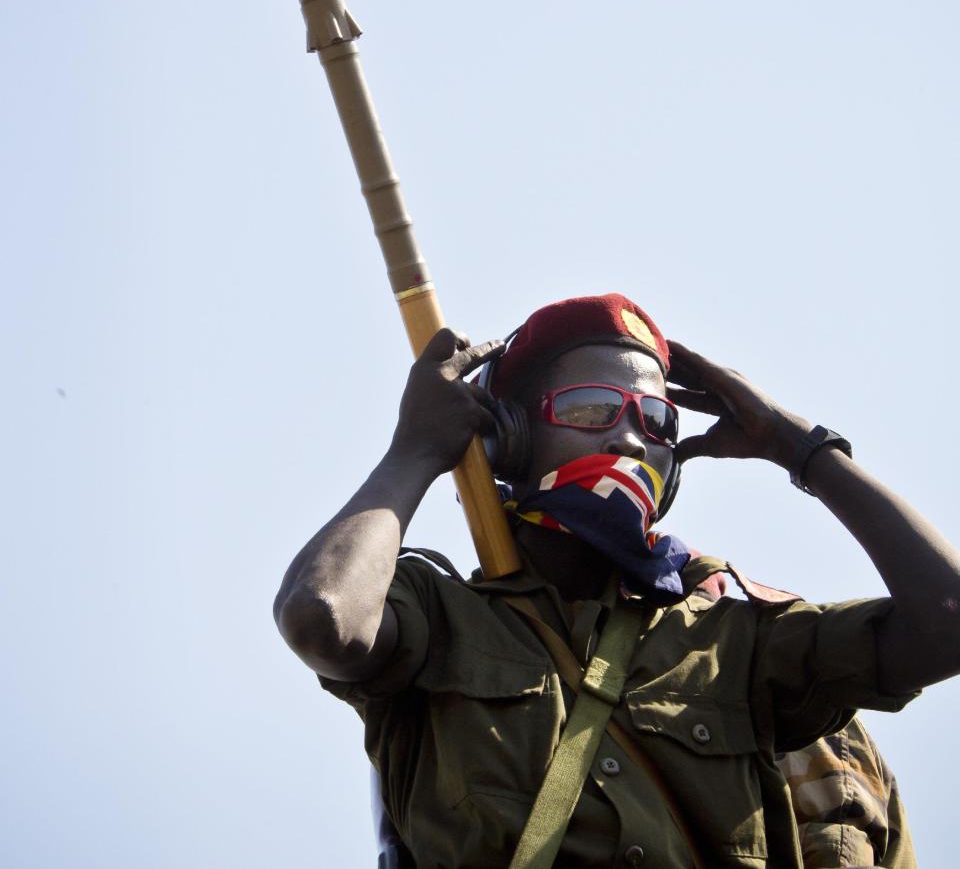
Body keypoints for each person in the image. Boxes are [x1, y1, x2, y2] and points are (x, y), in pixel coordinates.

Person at [274, 293, 954, 867]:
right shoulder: (437, 619)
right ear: (506, 438)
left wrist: (792, 443)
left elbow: (947, 621)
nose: (631, 438)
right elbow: (321, 617)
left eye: (654, 420)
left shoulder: (733, 638)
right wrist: (418, 449)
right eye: (593, 408)